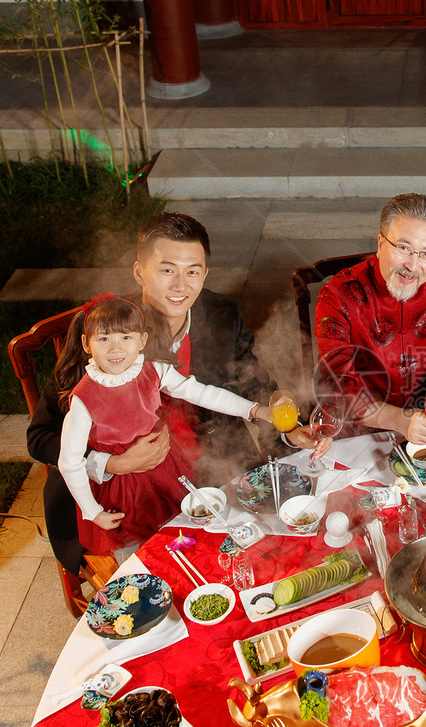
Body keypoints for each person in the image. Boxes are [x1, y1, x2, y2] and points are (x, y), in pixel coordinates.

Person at [27, 212, 316, 575]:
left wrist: (288, 427)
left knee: (272, 553)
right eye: (166, 270)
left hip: (210, 462)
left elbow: (254, 383)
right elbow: (40, 437)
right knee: (163, 576)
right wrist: (110, 464)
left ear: (205, 273)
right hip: (123, 491)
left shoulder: (222, 313)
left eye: (192, 271)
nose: (181, 286)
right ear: (139, 272)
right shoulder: (114, 332)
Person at [55, 295, 276, 555]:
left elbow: (202, 393)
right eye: (104, 339)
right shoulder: (84, 399)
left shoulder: (153, 371)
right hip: (124, 490)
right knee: (138, 547)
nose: (115, 349)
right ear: (86, 344)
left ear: (142, 340)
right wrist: (93, 512)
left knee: (182, 532)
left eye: (126, 337)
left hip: (166, 470)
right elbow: (69, 462)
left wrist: (253, 409)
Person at [314, 194, 426, 445]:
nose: (413, 266)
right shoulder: (337, 295)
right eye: (403, 248)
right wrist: (399, 421)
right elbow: (338, 387)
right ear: (381, 243)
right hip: (361, 433)